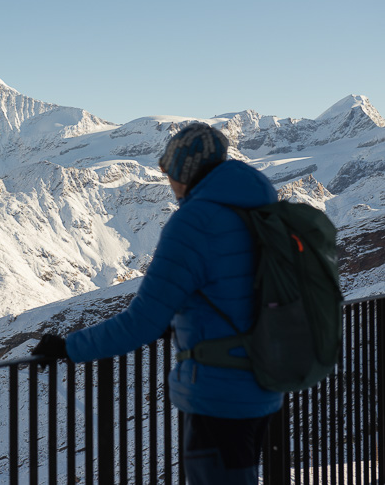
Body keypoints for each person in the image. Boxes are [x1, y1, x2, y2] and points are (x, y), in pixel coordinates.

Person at [32, 122, 279, 485]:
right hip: (264, 383)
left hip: (218, 394)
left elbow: (140, 323)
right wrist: (180, 321)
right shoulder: (259, 208)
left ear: (185, 170)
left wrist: (69, 347)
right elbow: (235, 290)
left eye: (169, 169)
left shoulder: (194, 223)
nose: (168, 180)